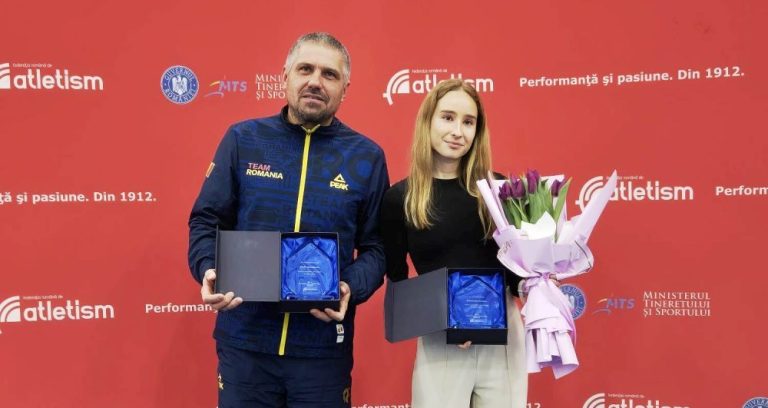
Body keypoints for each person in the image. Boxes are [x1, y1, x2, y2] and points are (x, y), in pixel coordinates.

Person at [188, 32, 389, 408]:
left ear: (346, 88)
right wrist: (209, 267)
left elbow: (378, 248)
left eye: (329, 74)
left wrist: (349, 286)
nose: (315, 81)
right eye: (305, 69)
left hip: (322, 351)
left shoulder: (367, 157)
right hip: (245, 343)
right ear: (285, 77)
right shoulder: (243, 139)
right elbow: (206, 220)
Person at [380, 79, 527, 408]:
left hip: (503, 341)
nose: (457, 131)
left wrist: (537, 284)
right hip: (439, 340)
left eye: (468, 121)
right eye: (447, 117)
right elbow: (397, 279)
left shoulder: (498, 190)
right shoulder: (399, 198)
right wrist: (440, 318)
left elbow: (519, 270)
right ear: (428, 121)